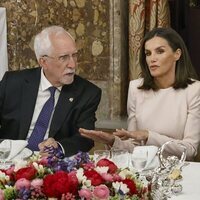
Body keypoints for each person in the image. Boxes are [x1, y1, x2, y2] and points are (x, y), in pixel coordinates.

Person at [80, 27, 200, 161]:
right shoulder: (136, 88)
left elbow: (190, 150)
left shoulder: (194, 90)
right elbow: (134, 146)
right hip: (144, 169)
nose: (152, 59)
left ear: (177, 54)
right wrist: (113, 141)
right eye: (148, 53)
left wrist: (149, 136)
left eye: (160, 51)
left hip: (180, 172)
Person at [0, 25, 101, 157]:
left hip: (52, 164)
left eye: (74, 56)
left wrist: (58, 147)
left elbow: (85, 138)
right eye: (63, 57)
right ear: (44, 62)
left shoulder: (87, 93)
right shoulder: (13, 82)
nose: (72, 64)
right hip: (9, 160)